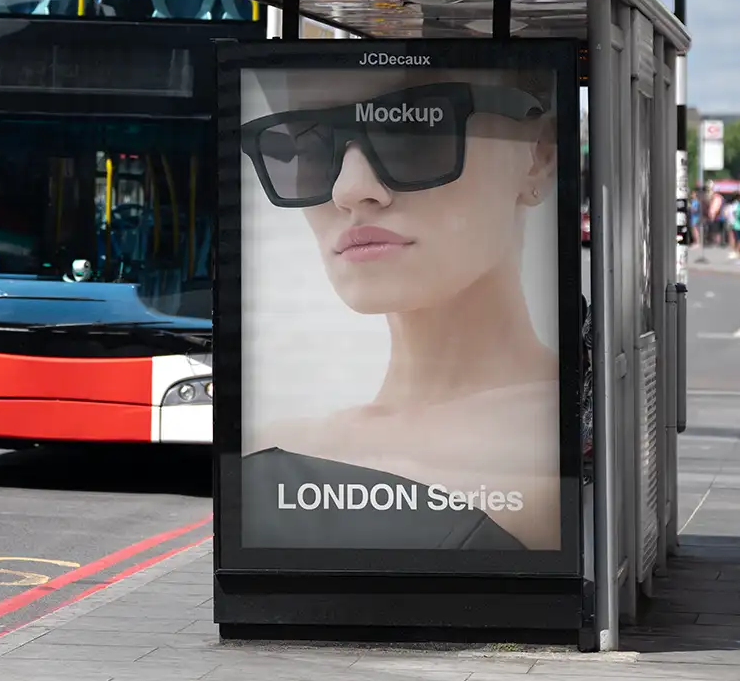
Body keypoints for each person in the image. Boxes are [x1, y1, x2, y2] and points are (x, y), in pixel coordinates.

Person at [239, 64, 561, 553]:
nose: (349, 190)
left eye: (414, 126)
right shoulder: (275, 438)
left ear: (536, 157)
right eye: (309, 144)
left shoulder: (567, 433)